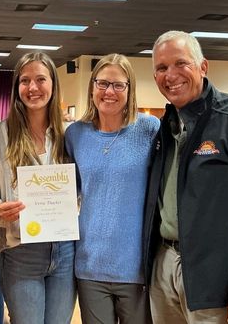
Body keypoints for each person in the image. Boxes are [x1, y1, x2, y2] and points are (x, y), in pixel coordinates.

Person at [143, 30, 228, 324]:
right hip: (164, 269)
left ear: (203, 66)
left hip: (220, 280)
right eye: (161, 68)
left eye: (181, 63)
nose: (171, 75)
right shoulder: (164, 129)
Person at [0, 52, 76, 324]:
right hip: (21, 251)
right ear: (16, 88)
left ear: (53, 84)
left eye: (40, 79)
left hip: (65, 250)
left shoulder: (71, 134)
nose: (33, 88)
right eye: (25, 80)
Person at [65, 54, 159, 324]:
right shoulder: (76, 134)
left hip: (136, 267)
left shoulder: (149, 129)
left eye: (118, 85)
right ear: (92, 87)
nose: (109, 92)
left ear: (130, 90)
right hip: (90, 265)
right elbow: (70, 190)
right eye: (103, 83)